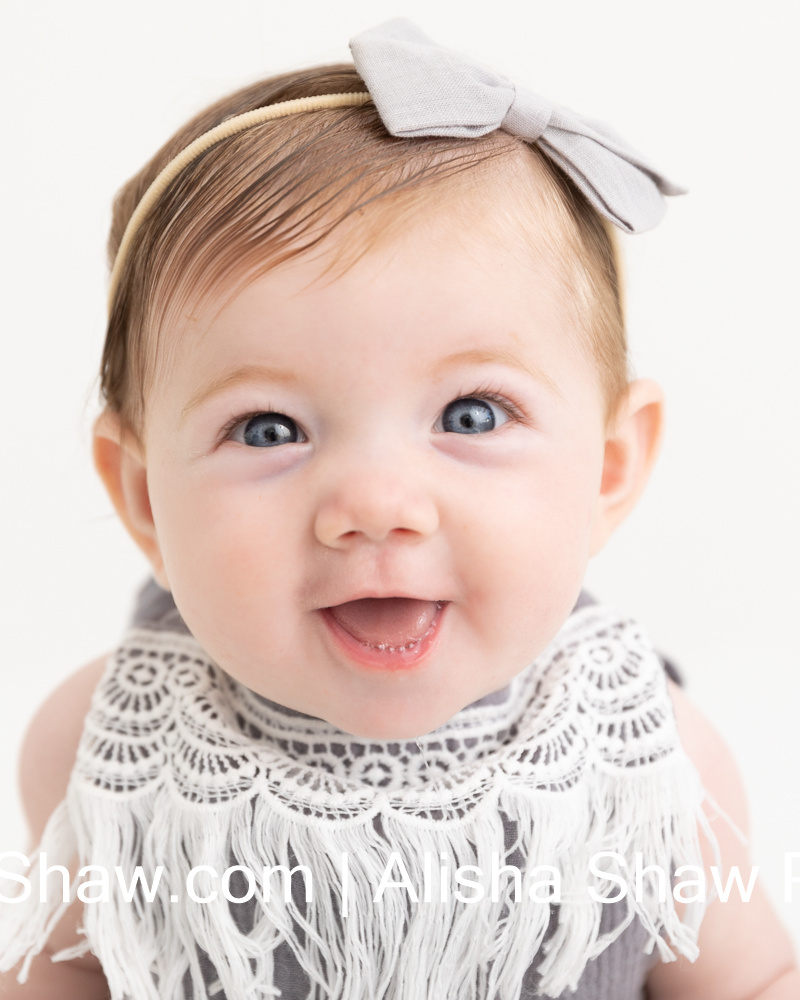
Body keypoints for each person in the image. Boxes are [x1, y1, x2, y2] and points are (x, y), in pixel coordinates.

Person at [0, 18, 797, 1000]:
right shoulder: (105, 750)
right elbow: (60, 977)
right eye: (266, 429)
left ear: (607, 468)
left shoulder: (648, 762)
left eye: (470, 413)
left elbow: (751, 978)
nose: (375, 506)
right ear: (143, 499)